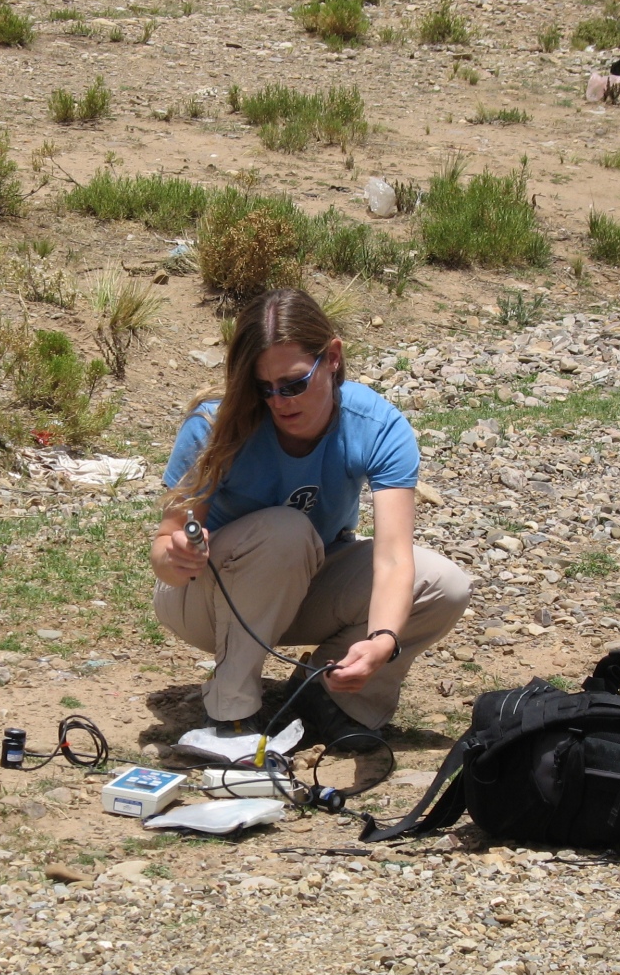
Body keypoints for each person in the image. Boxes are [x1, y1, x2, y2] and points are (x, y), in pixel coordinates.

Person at [150, 288, 472, 748]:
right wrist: (177, 556)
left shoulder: (376, 425)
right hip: (205, 600)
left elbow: (394, 560)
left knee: (444, 585)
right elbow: (165, 552)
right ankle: (231, 716)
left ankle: (331, 698)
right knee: (286, 530)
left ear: (333, 358)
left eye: (293, 383)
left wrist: (381, 641)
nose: (278, 401)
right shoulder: (213, 423)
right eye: (263, 388)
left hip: (305, 583)